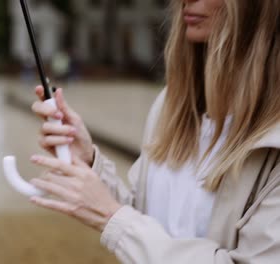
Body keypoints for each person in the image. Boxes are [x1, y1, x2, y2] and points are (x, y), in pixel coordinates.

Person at [29, 0, 279, 263]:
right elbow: (145, 218)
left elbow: (128, 225)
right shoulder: (170, 106)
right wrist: (89, 162)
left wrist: (112, 216)